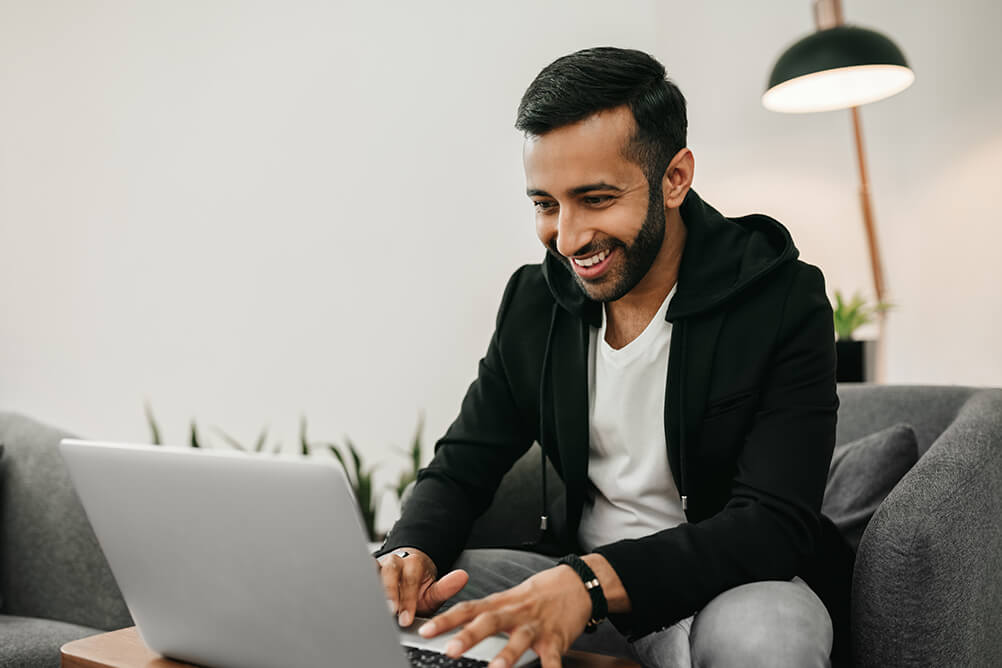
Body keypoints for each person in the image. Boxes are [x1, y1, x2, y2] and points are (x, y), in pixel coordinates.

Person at [375, 46, 854, 668]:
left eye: (595, 199)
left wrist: (593, 581)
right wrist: (407, 552)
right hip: (576, 586)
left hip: (733, 589)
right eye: (545, 204)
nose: (567, 240)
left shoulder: (781, 297)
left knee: (767, 641)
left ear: (675, 178)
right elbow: (462, 467)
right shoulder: (533, 300)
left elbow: (774, 524)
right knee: (418, 602)